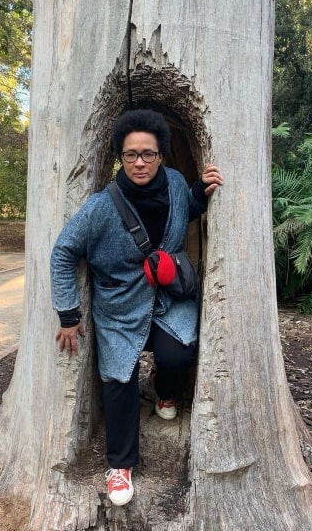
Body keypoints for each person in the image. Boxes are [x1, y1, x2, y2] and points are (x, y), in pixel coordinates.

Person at [50, 109, 223, 506]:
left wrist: (202, 191)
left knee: (178, 353)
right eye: (130, 155)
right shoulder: (100, 207)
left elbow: (187, 209)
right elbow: (63, 252)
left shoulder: (177, 183)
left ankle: (165, 392)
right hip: (118, 308)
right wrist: (69, 315)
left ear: (161, 155)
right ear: (120, 158)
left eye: (148, 153)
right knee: (117, 381)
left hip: (168, 300)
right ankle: (120, 466)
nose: (139, 162)